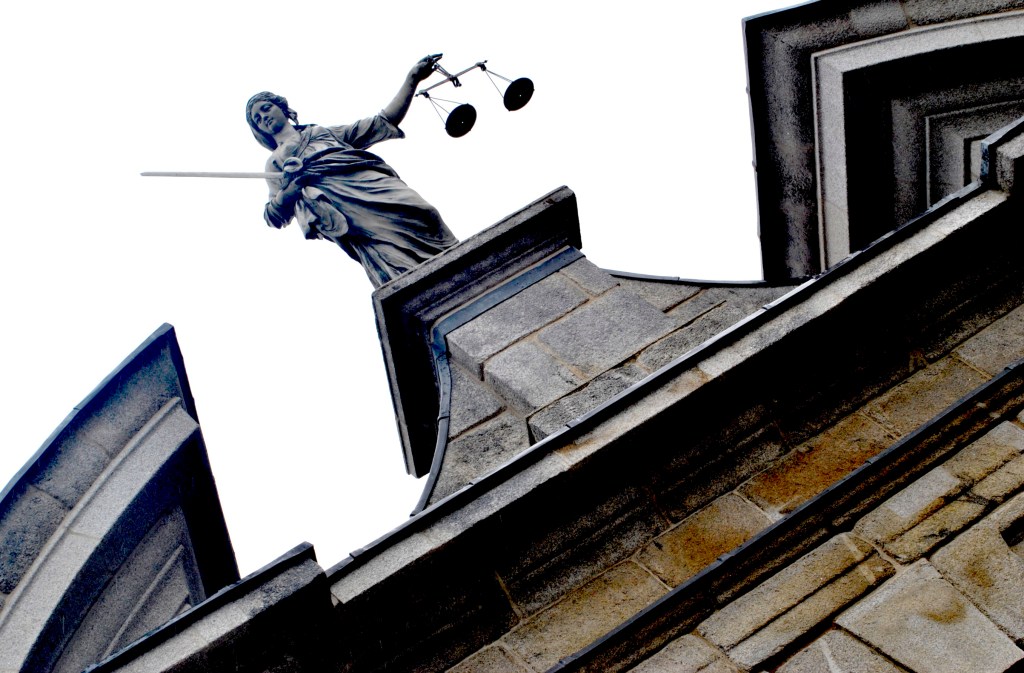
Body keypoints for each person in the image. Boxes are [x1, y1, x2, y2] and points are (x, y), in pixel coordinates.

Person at [246, 54, 458, 288]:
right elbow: (273, 215)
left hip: (370, 182)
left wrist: (413, 78)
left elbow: (381, 122)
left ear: (283, 108)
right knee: (385, 249)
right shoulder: (275, 163)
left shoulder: (322, 133)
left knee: (424, 212)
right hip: (343, 206)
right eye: (257, 119)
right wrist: (293, 188)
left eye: (266, 108)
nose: (263, 117)